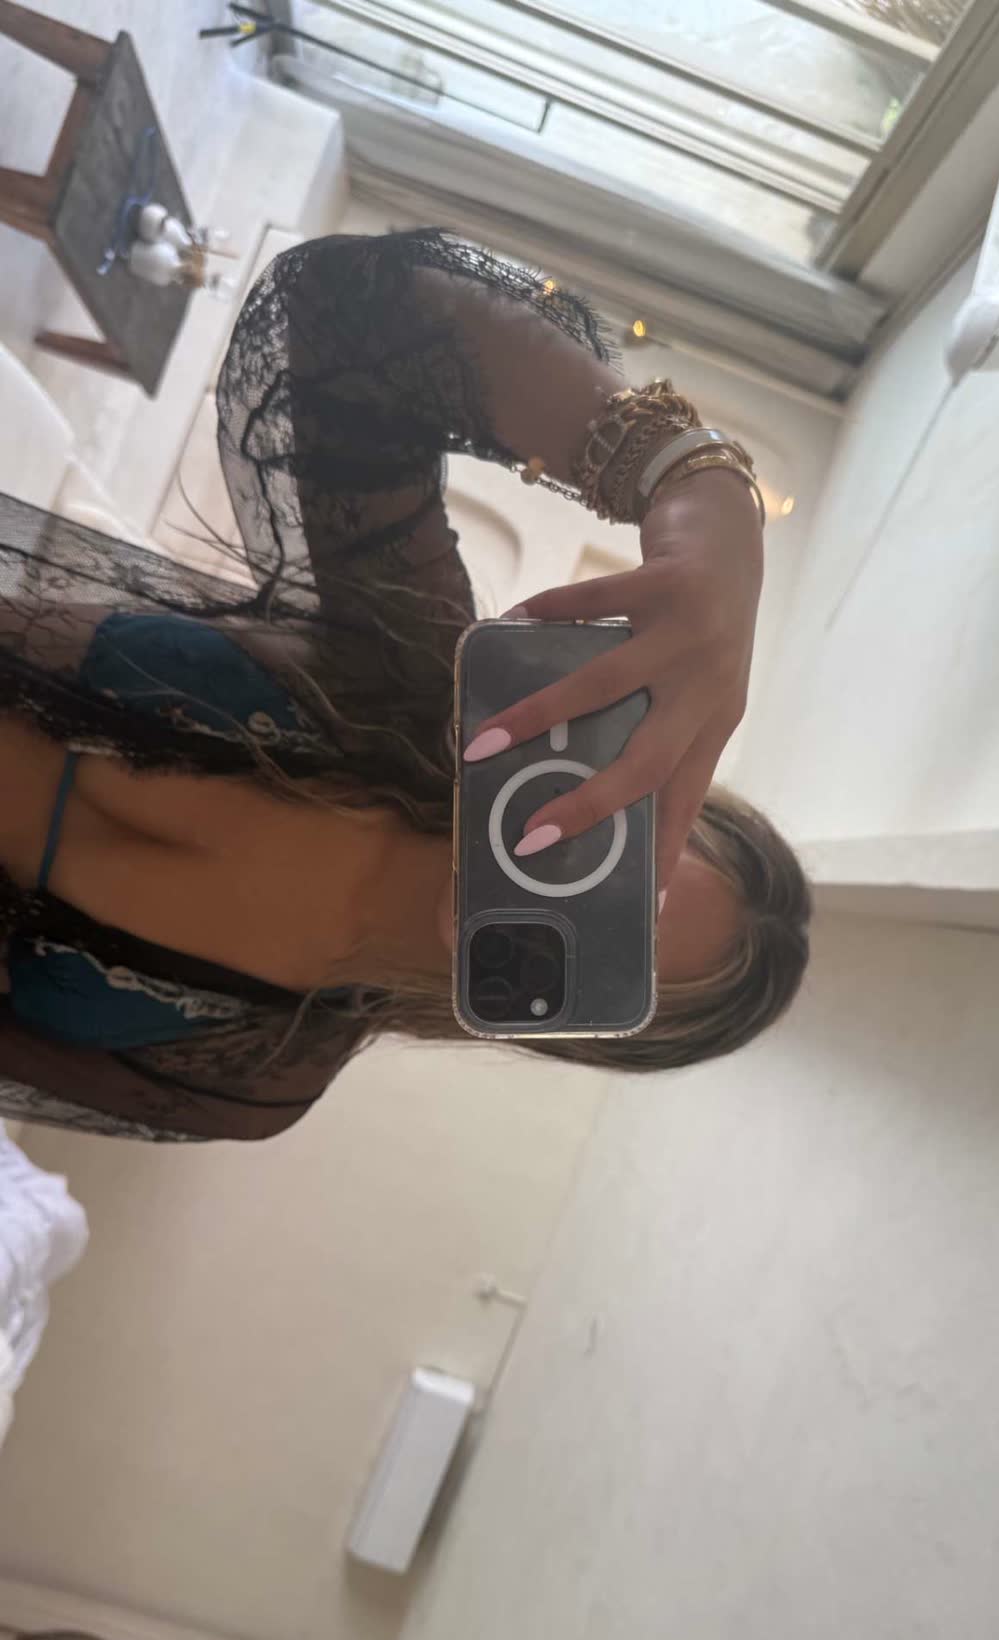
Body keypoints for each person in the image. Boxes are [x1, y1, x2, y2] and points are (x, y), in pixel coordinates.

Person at [0, 230, 810, 1143]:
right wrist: (695, 484)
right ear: (632, 780)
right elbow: (342, 311)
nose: (559, 886)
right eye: (624, 871)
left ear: (575, 1026)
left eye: (616, 941)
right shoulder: (405, 669)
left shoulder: (256, 1076)